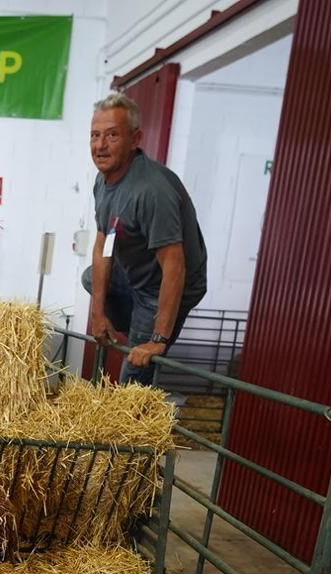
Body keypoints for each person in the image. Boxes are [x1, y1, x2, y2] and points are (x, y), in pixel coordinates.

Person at [83, 91, 208, 386]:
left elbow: (175, 267)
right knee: (91, 277)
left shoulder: (152, 190)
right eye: (95, 135)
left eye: (112, 135)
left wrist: (157, 340)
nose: (100, 145)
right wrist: (98, 315)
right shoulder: (104, 180)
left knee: (133, 379)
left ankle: (152, 332)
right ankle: (138, 329)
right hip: (137, 275)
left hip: (162, 284)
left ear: (135, 139)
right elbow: (104, 243)